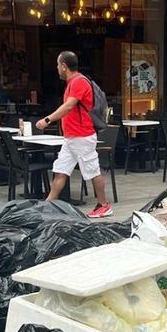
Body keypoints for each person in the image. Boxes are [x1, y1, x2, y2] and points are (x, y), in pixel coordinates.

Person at [36, 50, 112, 219]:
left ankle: (104, 205)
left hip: (82, 136)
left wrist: (47, 120)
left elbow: (69, 106)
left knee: (92, 170)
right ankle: (48, 205)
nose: (56, 68)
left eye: (57, 65)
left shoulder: (78, 82)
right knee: (60, 170)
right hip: (72, 137)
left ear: (64, 66)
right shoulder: (72, 83)